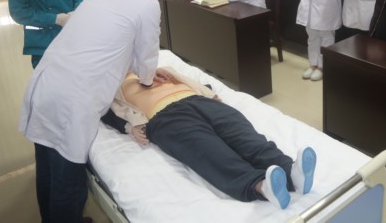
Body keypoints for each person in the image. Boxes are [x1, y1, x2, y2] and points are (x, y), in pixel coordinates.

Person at [18, 0, 166, 222]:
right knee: (68, 181)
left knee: (46, 167)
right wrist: (147, 79)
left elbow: (113, 37)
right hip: (72, 96)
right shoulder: (148, 2)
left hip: (46, 80)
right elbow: (147, 54)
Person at [101, 67, 317, 209]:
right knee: (210, 152)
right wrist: (129, 127)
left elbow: (191, 81)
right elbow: (104, 112)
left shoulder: (156, 68)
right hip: (165, 116)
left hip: (199, 101)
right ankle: (260, 186)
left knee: (245, 137)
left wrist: (209, 94)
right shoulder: (111, 87)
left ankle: (291, 172)